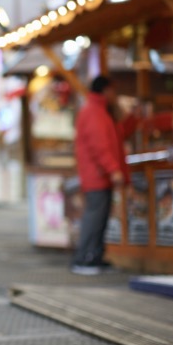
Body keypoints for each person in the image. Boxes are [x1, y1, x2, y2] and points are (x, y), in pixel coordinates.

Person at [72, 75, 127, 275]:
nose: (116, 95)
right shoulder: (94, 112)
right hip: (97, 175)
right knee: (94, 218)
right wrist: (113, 169)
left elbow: (114, 139)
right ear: (105, 90)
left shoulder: (101, 111)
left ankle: (94, 257)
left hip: (98, 174)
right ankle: (83, 259)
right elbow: (99, 147)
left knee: (100, 218)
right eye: (113, 90)